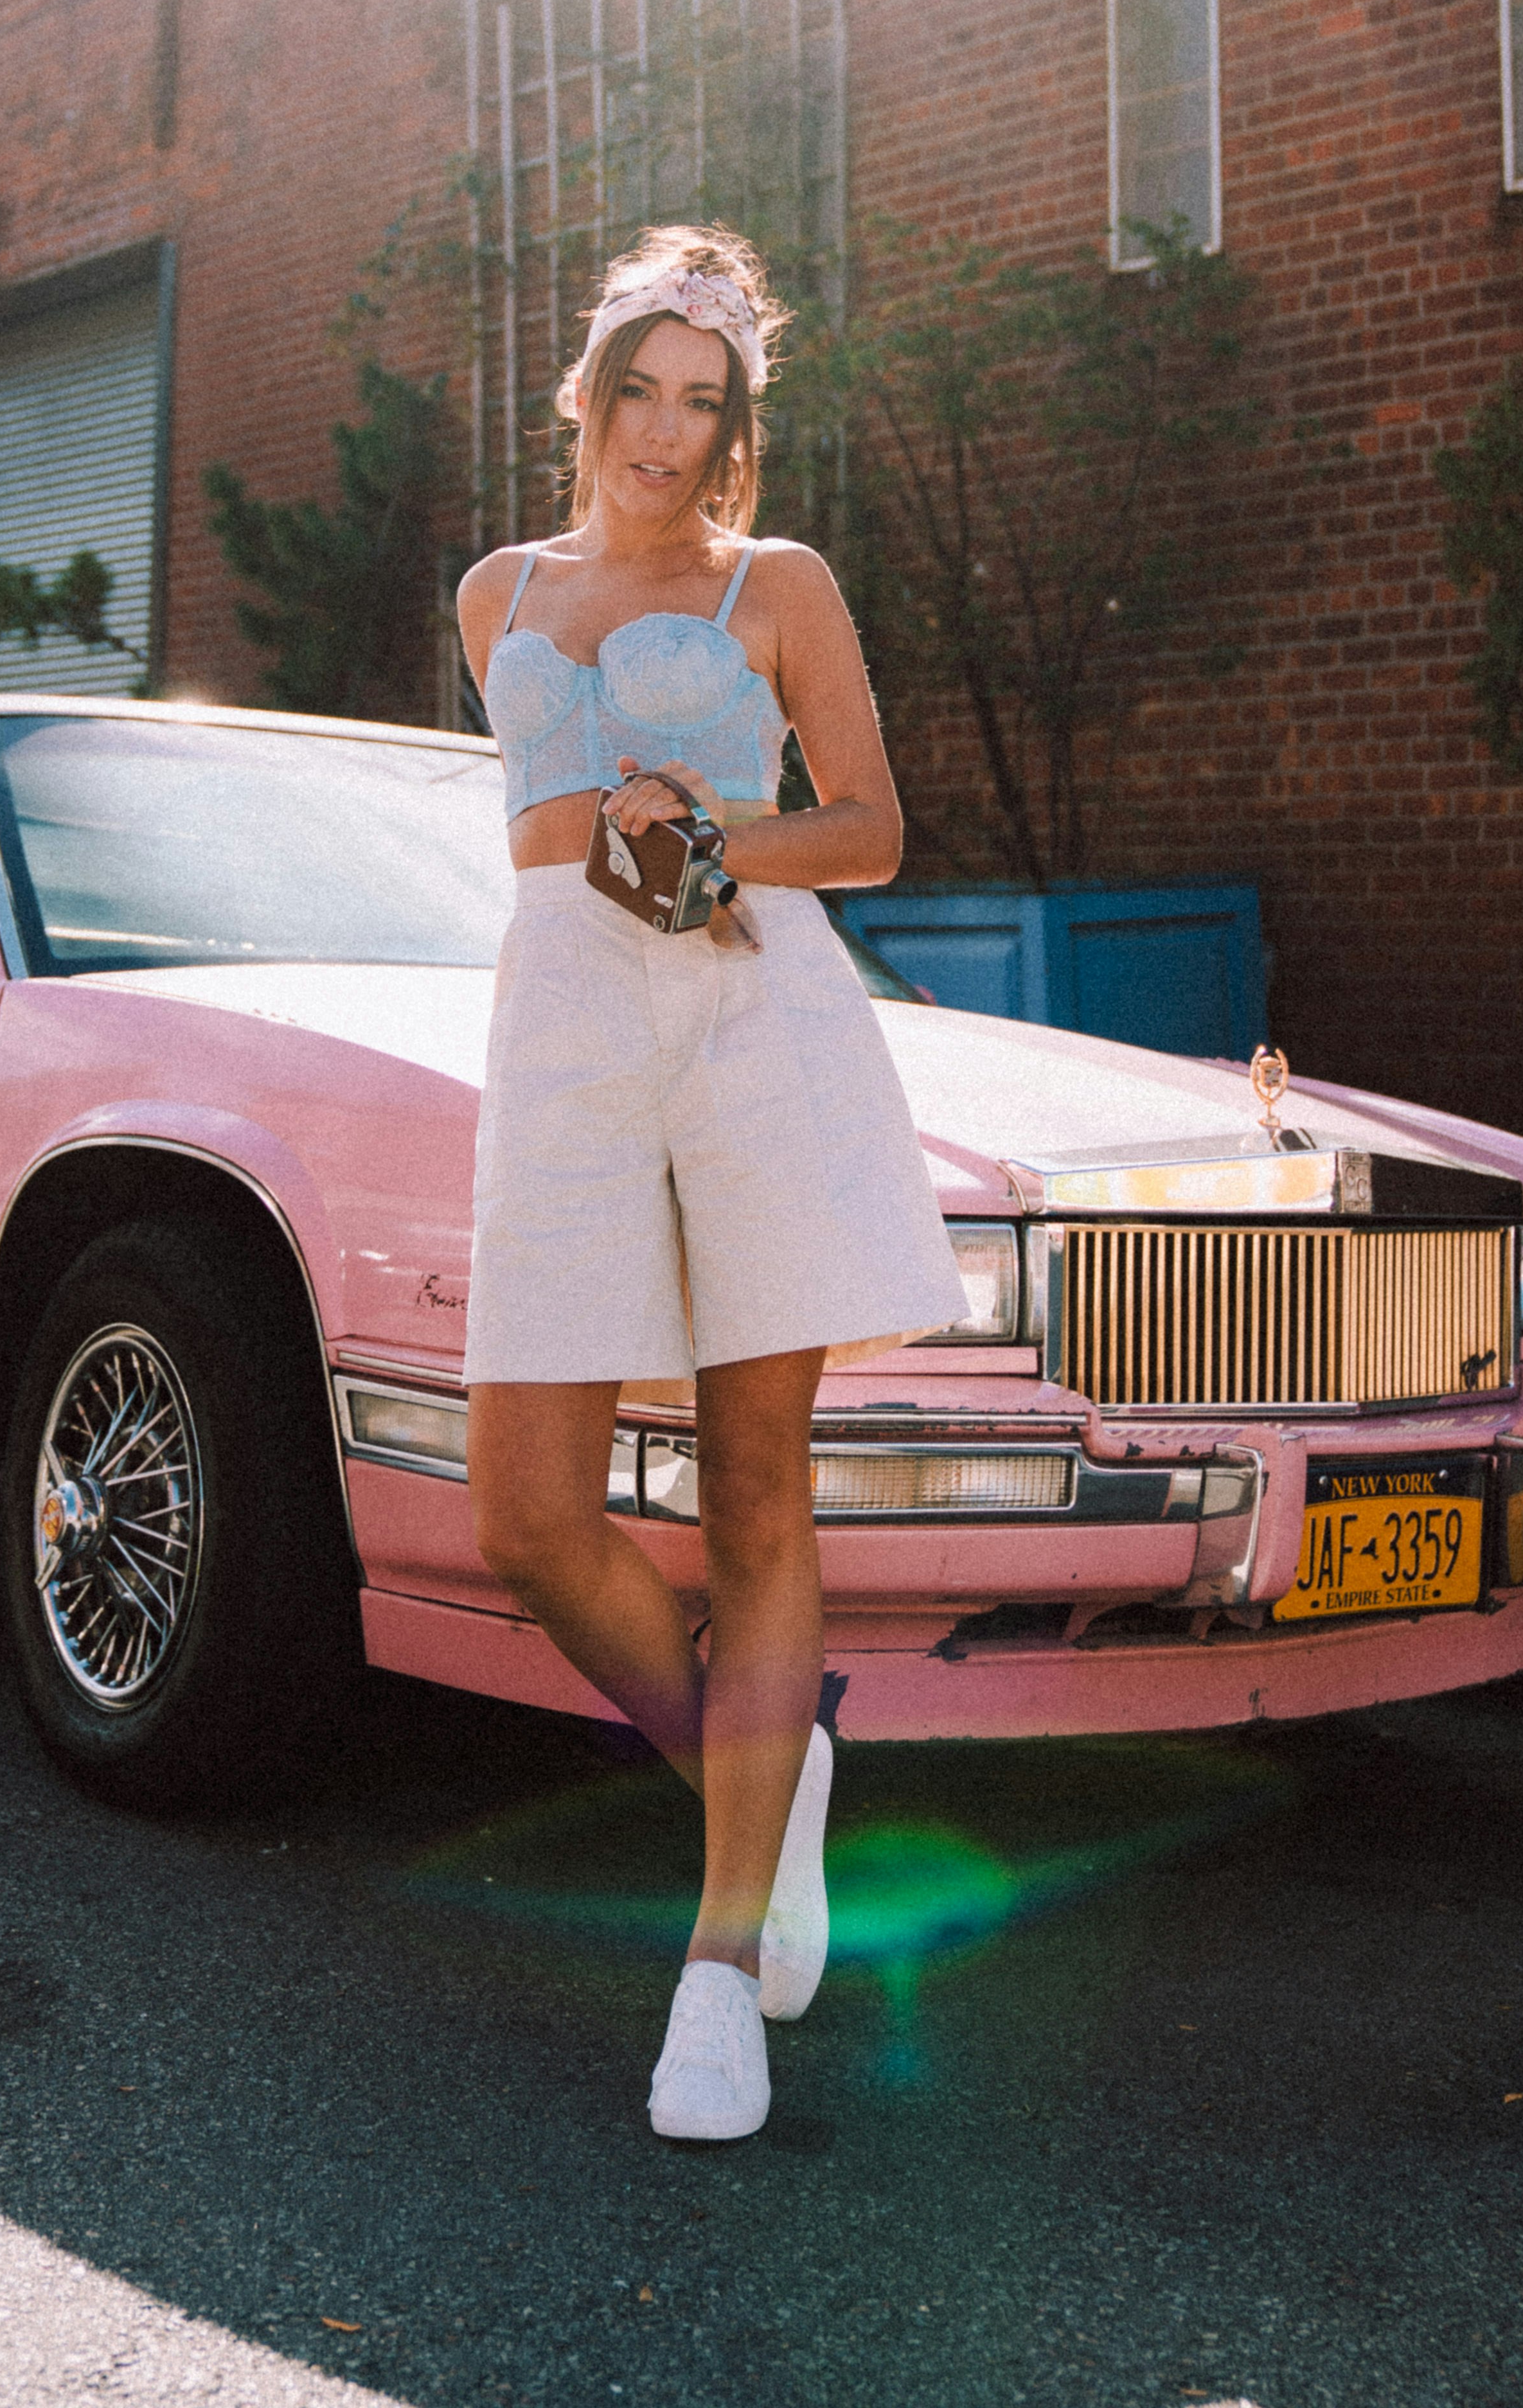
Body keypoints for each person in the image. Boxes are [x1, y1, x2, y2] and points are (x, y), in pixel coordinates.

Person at [456, 224, 966, 2143]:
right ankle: (768, 1774)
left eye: (708, 400)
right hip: (565, 1032)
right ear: (587, 389)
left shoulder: (781, 583)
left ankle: (715, 1967)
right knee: (529, 1516)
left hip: (757, 1021)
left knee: (759, 1490)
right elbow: (536, 846)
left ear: (734, 418)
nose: (668, 432)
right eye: (643, 389)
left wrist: (727, 838)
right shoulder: (496, 588)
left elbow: (879, 830)